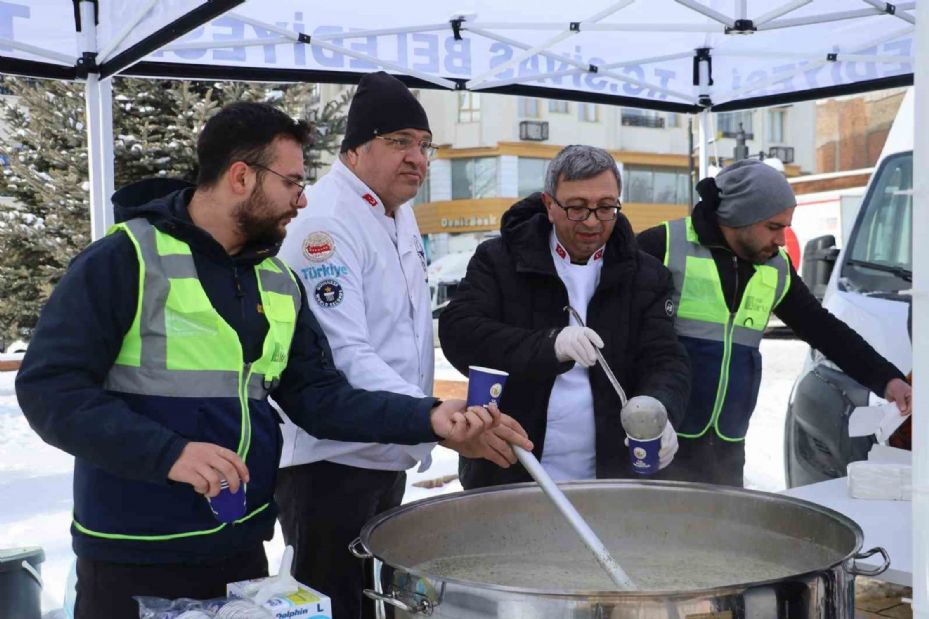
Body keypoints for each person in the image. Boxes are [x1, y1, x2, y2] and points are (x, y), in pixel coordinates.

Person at [15, 101, 531, 619]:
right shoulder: (126, 259)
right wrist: (169, 453)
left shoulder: (277, 281)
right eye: (291, 183)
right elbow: (50, 389)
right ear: (242, 177)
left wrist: (429, 417)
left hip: (239, 548)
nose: (301, 201)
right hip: (131, 554)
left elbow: (319, 398)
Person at [274, 71, 462, 619]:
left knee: (371, 603)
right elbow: (344, 356)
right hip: (330, 463)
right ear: (354, 149)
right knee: (333, 605)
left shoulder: (396, 213)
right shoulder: (326, 223)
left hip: (384, 451)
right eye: (398, 142)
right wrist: (429, 414)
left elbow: (402, 331)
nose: (417, 158)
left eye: (424, 145)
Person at [637, 158, 912, 487]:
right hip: (662, 436)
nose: (782, 240)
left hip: (726, 445)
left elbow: (823, 328)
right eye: (774, 227)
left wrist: (887, 380)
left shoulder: (775, 266)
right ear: (739, 217)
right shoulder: (663, 245)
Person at [439, 145, 690, 489]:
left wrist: (660, 412)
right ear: (549, 205)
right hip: (510, 466)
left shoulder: (645, 274)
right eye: (576, 207)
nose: (591, 221)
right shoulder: (500, 260)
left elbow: (665, 359)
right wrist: (550, 345)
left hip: (608, 475)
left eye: (605, 208)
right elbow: (459, 334)